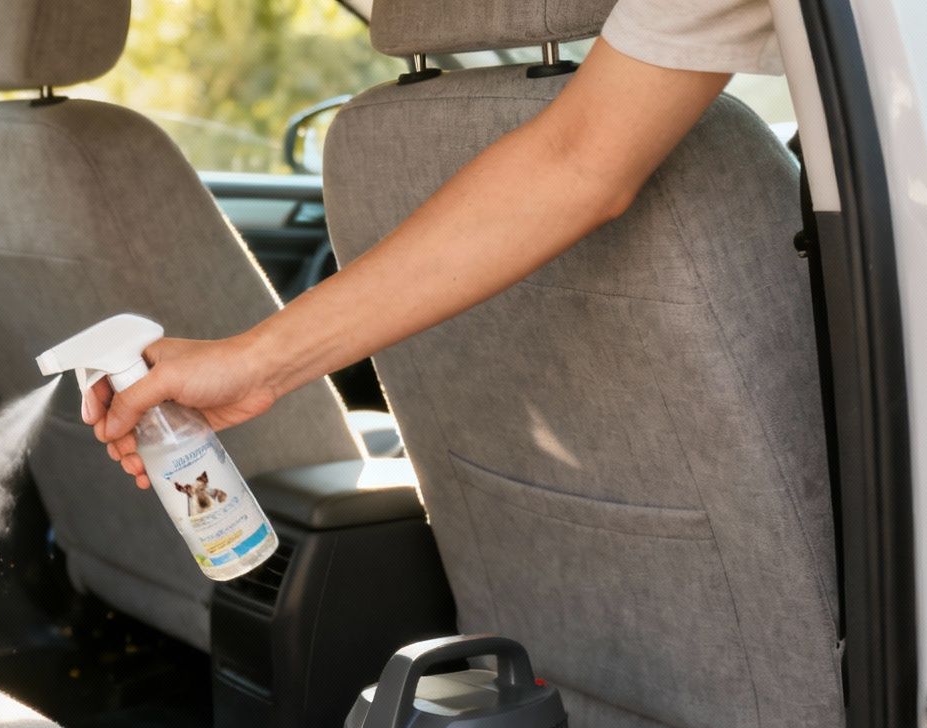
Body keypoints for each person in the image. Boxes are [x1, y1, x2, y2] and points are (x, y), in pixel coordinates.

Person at [83, 0, 789, 486]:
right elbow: (578, 160)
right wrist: (254, 365)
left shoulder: (368, 143)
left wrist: (256, 364)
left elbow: (581, 161)